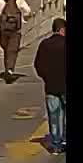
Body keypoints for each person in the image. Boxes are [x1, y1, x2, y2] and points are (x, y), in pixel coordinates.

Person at [35, 17, 66, 152]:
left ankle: (55, 145)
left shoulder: (44, 44)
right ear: (62, 30)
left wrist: (46, 78)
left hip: (51, 86)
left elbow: (38, 65)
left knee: (53, 117)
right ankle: (64, 139)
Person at [0, 0, 24, 81]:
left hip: (3, 30)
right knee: (12, 50)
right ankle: (10, 69)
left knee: (6, 49)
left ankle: (7, 68)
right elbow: (28, 11)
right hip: (15, 30)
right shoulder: (18, 0)